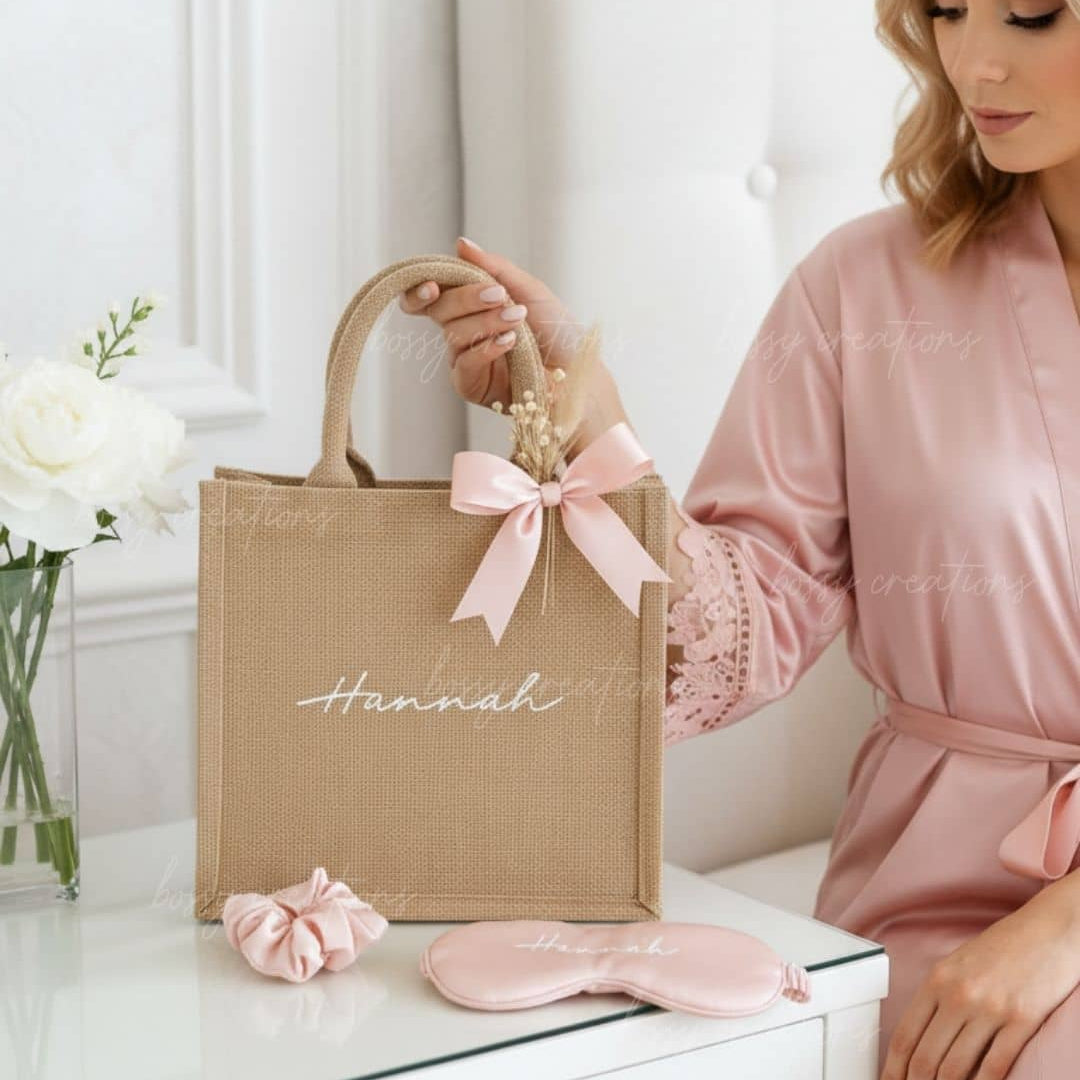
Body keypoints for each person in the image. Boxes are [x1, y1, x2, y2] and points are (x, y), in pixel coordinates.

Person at [399, 2, 1080, 1075]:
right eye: (947, 9)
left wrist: (1066, 928)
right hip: (945, 887)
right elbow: (746, 626)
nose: (976, 58)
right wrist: (589, 424)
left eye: (1034, 13)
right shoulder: (866, 286)